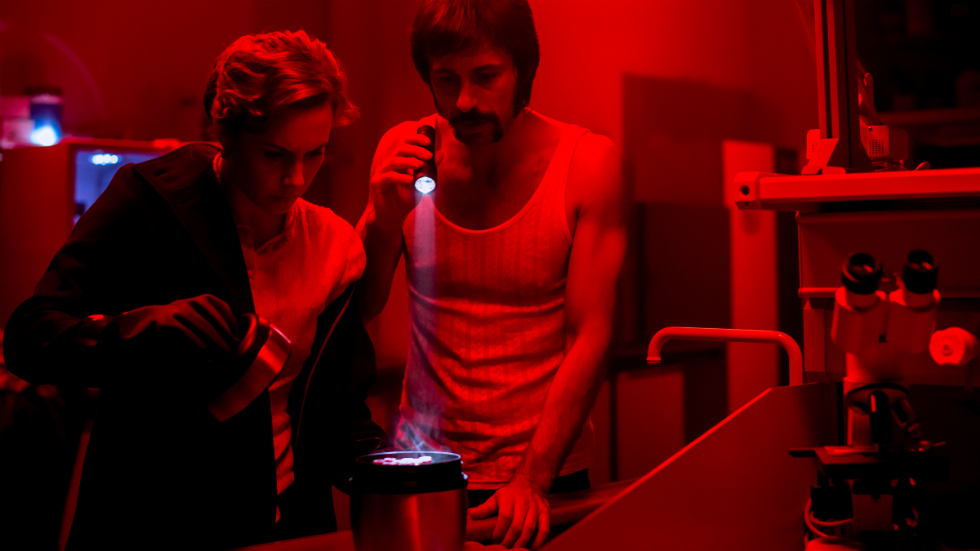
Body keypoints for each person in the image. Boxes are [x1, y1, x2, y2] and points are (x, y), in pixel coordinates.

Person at [3, 30, 385, 549]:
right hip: (154, 521)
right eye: (274, 154)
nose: (296, 179)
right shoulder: (151, 202)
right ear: (224, 131)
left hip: (283, 521)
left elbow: (338, 414)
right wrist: (133, 332)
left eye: (314, 153)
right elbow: (29, 336)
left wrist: (417, 483)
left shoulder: (333, 245)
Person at [355, 0, 627, 548]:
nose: (464, 101)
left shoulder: (587, 163)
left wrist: (532, 479)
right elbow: (360, 307)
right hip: (427, 468)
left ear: (523, 72)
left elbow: (591, 335)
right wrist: (382, 220)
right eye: (446, 80)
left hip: (546, 472)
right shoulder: (406, 152)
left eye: (485, 76)